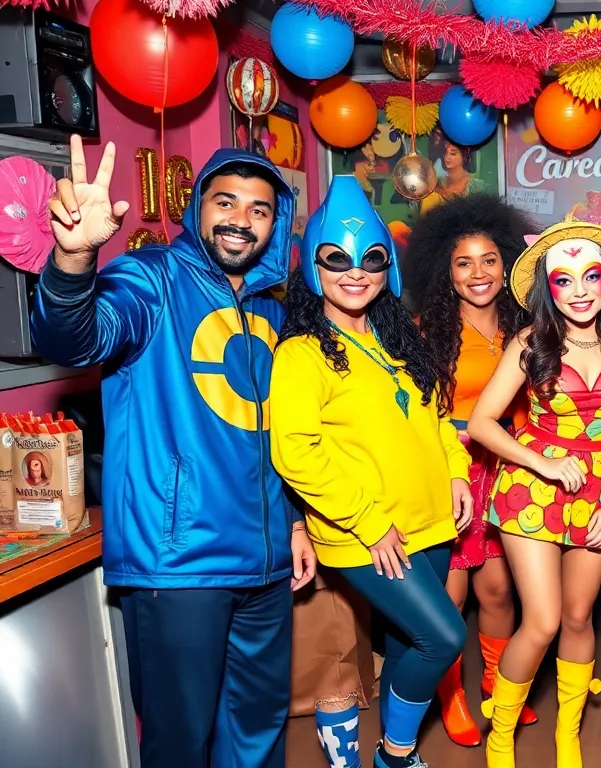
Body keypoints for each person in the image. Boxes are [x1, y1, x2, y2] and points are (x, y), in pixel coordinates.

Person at [31, 137, 315, 768]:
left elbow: (279, 434)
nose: (241, 219)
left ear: (276, 224)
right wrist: (73, 259)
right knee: (180, 744)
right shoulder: (151, 278)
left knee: (259, 734)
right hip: (179, 562)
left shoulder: (272, 309)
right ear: (197, 207)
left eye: (260, 209)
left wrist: (293, 522)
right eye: (226, 201)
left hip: (266, 566)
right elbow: (72, 339)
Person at [270, 176, 474, 768]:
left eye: (371, 258)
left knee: (406, 641)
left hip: (431, 519)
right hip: (369, 533)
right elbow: (295, 453)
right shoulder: (301, 354)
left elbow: (437, 418)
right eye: (336, 259)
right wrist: (368, 520)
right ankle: (396, 754)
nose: (355, 272)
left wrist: (457, 472)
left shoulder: (399, 338)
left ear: (389, 267)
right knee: (443, 637)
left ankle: (394, 753)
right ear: (313, 267)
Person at [468, 218, 601, 768]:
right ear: (548, 288)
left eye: (591, 276)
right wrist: (542, 461)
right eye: (563, 280)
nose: (579, 291)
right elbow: (481, 422)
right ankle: (501, 734)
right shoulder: (531, 341)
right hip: (532, 488)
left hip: (600, 491)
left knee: (577, 617)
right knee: (543, 620)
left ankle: (566, 736)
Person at [406, 192, 541, 746]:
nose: (478, 273)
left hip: (510, 468)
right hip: (453, 470)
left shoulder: (527, 327)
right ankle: (453, 697)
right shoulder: (425, 332)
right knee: (451, 598)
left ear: (507, 264)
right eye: (464, 263)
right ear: (446, 271)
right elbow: (419, 415)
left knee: (500, 593)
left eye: (489, 260)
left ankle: (497, 685)